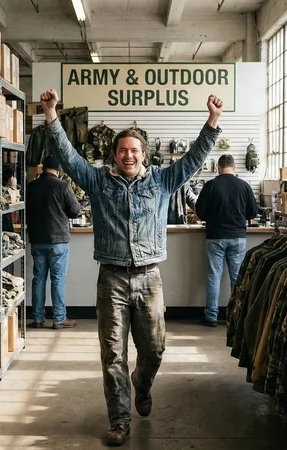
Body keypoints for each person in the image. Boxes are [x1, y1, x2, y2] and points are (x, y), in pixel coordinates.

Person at [39, 88, 223, 446]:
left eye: (134, 150)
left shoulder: (162, 181)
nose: (128, 155)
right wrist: (50, 114)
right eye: (122, 150)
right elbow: (68, 156)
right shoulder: (98, 182)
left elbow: (194, 159)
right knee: (112, 354)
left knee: (154, 349)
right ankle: (120, 420)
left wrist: (213, 120)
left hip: (149, 278)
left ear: (144, 153)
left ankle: (143, 382)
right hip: (111, 278)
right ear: (114, 154)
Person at [195, 154, 258, 327]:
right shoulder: (244, 186)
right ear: (234, 167)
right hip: (238, 237)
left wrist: (211, 217)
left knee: (213, 277)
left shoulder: (210, 185)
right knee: (236, 279)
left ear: (218, 167)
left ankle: (211, 317)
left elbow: (200, 212)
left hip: (215, 236)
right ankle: (235, 317)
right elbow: (253, 212)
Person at [25, 155, 81, 330]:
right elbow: (75, 210)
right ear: (58, 170)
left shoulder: (31, 186)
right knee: (58, 280)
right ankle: (59, 319)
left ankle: (37, 318)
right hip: (58, 240)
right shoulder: (63, 186)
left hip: (37, 239)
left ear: (43, 168)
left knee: (38, 279)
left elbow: (25, 210)